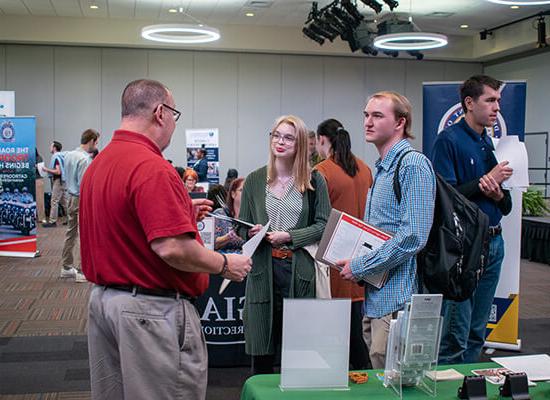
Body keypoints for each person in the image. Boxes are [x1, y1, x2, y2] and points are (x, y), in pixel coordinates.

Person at [79, 79, 251, 400]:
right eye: (175, 114)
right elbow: (171, 247)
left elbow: (125, 222)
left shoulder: (99, 164)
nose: (173, 123)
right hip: (150, 312)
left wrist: (183, 210)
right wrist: (225, 264)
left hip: (105, 304)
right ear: (160, 112)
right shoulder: (152, 167)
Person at [338, 91, 436, 369]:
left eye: (377, 115)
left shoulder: (413, 164)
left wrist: (361, 265)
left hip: (399, 299)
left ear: (400, 123)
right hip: (378, 296)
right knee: (380, 377)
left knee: (394, 382)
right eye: (366, 115)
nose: (368, 122)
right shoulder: (382, 168)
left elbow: (413, 235)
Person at [239, 115, 331, 375]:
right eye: (276, 135)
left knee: (300, 354)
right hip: (262, 272)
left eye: (288, 137)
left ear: (301, 143)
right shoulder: (255, 180)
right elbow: (240, 226)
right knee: (262, 355)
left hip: (298, 270)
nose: (280, 141)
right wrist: (252, 232)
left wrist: (289, 236)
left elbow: (324, 225)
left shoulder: (314, 181)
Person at [431, 75, 513, 365]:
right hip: (464, 247)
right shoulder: (448, 141)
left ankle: (469, 390)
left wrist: (497, 194)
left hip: (494, 241)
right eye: (490, 100)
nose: (496, 108)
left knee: (477, 332)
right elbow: (445, 196)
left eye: (498, 101)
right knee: (456, 333)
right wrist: (483, 183)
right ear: (469, 103)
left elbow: (507, 205)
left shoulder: (490, 144)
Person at [315, 118, 373, 370]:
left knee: (340, 337)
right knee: (354, 330)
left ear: (321, 140)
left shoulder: (322, 171)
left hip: (333, 261)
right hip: (361, 260)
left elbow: (317, 220)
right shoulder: (365, 169)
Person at [60, 129, 99, 282]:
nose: (96, 146)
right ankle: (82, 271)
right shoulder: (84, 159)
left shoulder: (68, 155)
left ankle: (67, 267)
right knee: (85, 234)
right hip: (80, 198)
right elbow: (85, 184)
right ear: (91, 141)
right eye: (96, 142)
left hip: (70, 196)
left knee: (71, 233)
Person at [214, 178, 245, 252]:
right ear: (233, 194)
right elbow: (212, 243)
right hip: (223, 260)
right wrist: (229, 237)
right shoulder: (220, 215)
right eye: (242, 190)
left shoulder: (253, 216)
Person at [43, 141, 67, 227]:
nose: (50, 147)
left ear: (54, 148)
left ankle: (52, 221)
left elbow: (58, 171)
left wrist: (46, 169)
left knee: (54, 201)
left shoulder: (56, 157)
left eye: (51, 146)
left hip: (58, 181)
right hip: (63, 181)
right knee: (64, 201)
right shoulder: (62, 156)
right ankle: (70, 219)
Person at [35, 149, 47, 223]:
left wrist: (37, 166)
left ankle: (41, 217)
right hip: (29, 179)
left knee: (40, 200)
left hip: (38, 179)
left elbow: (41, 169)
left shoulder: (39, 158)